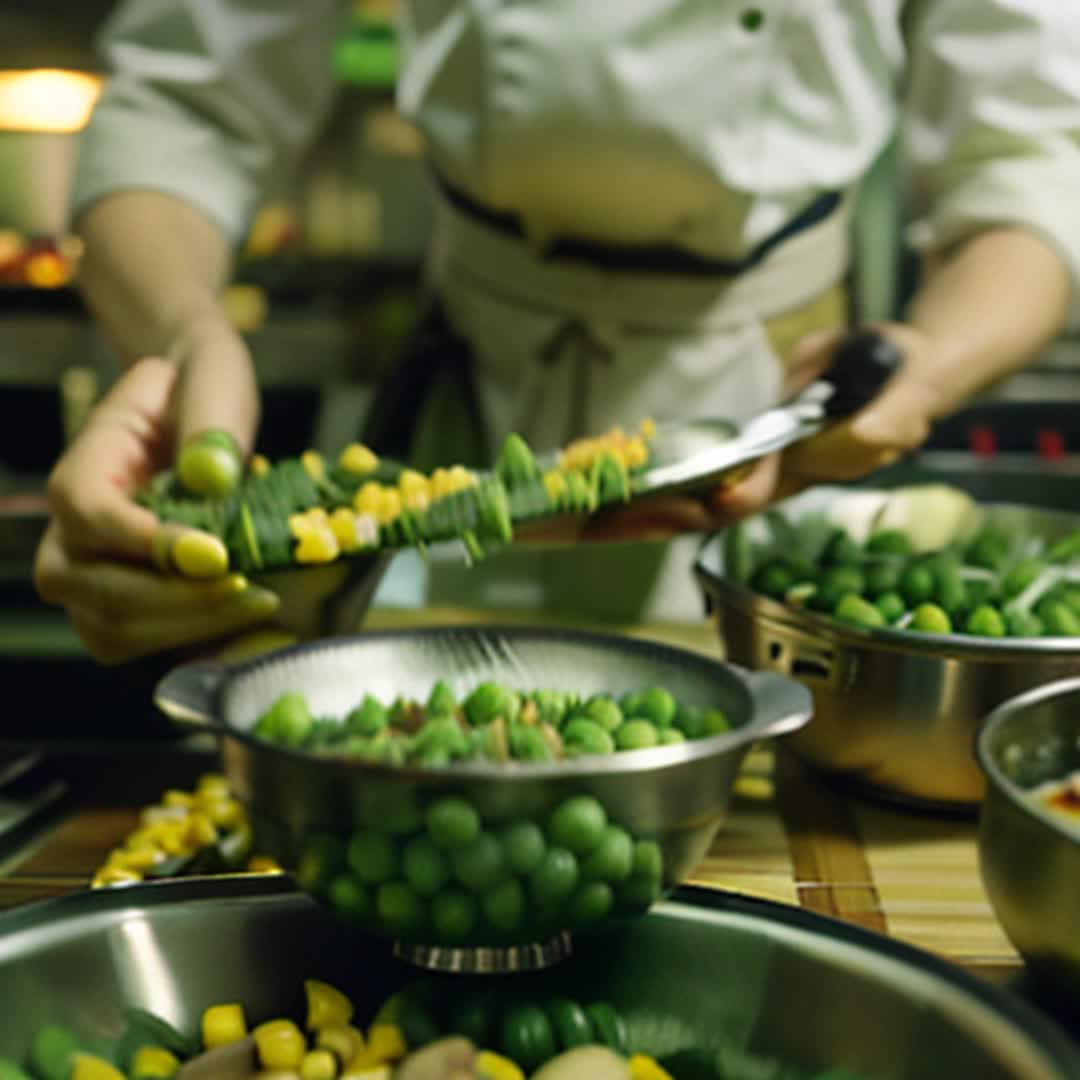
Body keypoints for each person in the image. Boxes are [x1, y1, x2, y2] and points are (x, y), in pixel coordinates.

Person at [33, 1, 1080, 662]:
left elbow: (1034, 153)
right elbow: (187, 108)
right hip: (471, 383)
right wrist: (186, 336)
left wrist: (930, 364)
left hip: (769, 395)